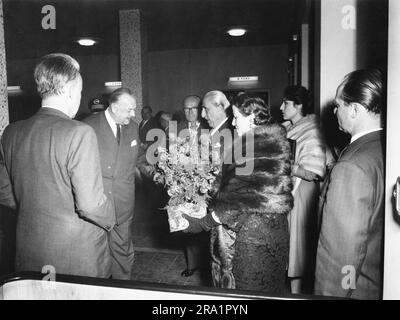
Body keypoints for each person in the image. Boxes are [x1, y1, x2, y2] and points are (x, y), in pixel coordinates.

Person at [0, 53, 115, 277]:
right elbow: (90, 206)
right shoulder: (79, 132)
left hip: (29, 249)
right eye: (80, 92)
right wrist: (113, 218)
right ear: (71, 90)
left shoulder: (11, 132)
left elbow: (5, 193)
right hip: (77, 256)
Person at [184, 95, 294, 293]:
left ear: (251, 116)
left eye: (236, 117)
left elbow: (236, 203)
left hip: (252, 238)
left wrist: (202, 224)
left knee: (245, 292)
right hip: (275, 232)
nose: (233, 123)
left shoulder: (252, 149)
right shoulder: (275, 142)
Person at [314, 69, 385, 299]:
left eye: (338, 105)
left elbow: (341, 256)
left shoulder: (351, 166)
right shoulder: (383, 149)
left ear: (354, 109)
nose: (335, 112)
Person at [83, 87, 139, 280]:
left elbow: (137, 160)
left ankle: (122, 291)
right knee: (95, 254)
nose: (133, 114)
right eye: (129, 110)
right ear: (114, 107)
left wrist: (154, 173)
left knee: (123, 252)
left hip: (123, 202)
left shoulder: (133, 127)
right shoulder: (87, 127)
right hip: (96, 203)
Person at [280, 86, 329, 294]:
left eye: (287, 103)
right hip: (289, 191)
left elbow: (313, 172)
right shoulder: (288, 127)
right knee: (291, 247)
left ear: (298, 105)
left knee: (298, 250)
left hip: (302, 193)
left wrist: (282, 165)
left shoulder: (311, 129)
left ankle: (297, 294)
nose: (281, 107)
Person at [177, 95, 210, 277]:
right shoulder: (177, 130)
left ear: (201, 110)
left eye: (194, 108)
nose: (190, 112)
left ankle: (207, 264)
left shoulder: (209, 129)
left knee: (205, 226)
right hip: (184, 186)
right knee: (187, 226)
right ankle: (192, 264)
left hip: (205, 187)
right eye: (186, 108)